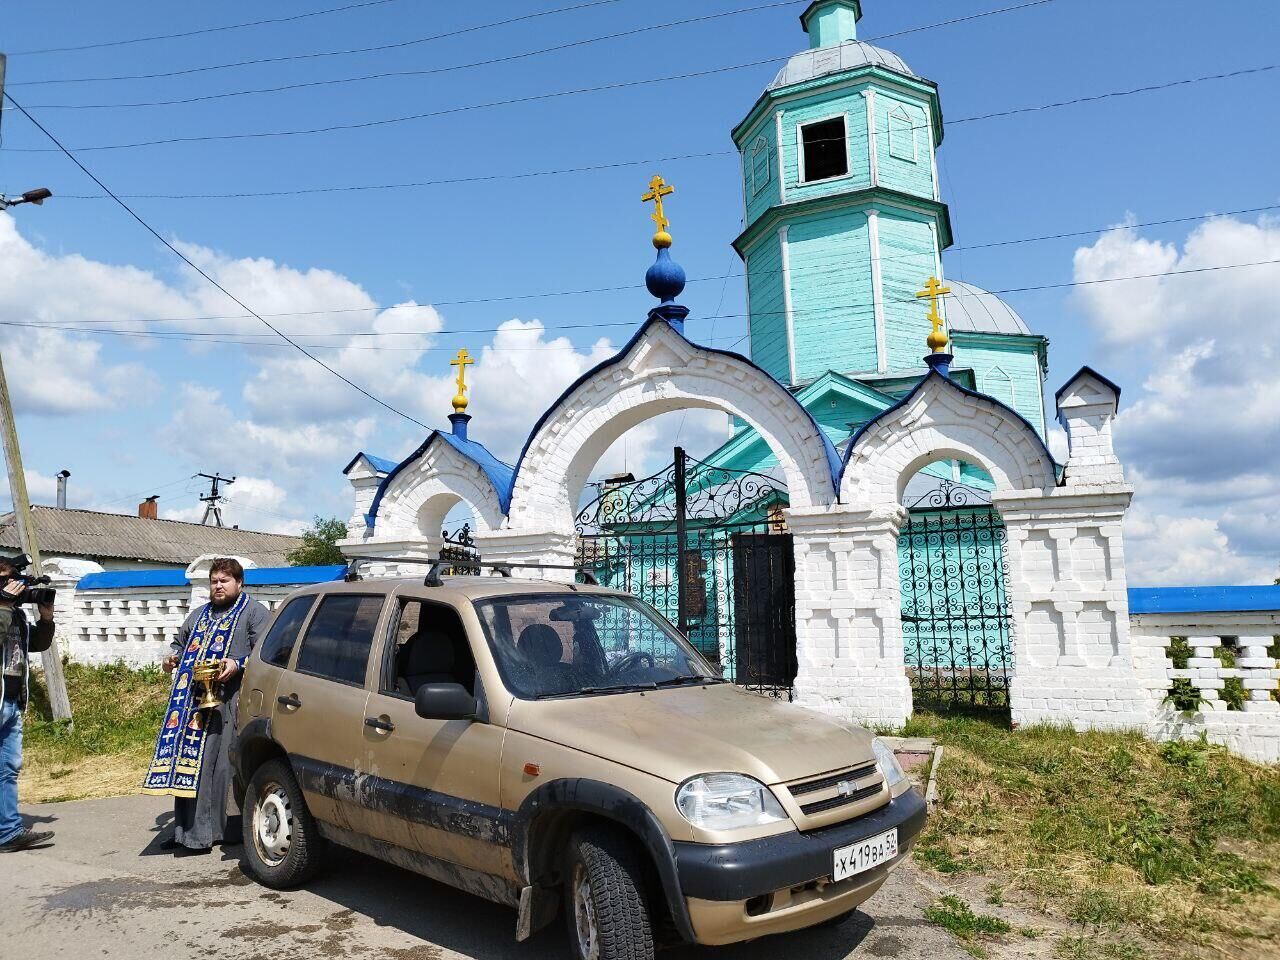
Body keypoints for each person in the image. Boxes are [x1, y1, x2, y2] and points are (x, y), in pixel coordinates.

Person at [143, 558, 269, 852]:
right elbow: (180, 643)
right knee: (190, 765)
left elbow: (266, 652)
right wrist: (172, 657)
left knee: (221, 767)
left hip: (232, 702)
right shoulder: (200, 615)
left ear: (239, 583)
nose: (218, 586)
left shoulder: (253, 613)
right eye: (214, 581)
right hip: (193, 703)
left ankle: (219, 833)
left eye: (224, 581)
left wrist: (237, 664)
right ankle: (186, 832)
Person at [0, 555, 56, 853]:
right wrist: (4, 605)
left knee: (8, 768)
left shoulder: (16, 613)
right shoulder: (6, 609)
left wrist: (46, 618)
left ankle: (8, 832)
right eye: (7, 580)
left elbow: (37, 644)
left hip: (11, 700)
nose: (14, 586)